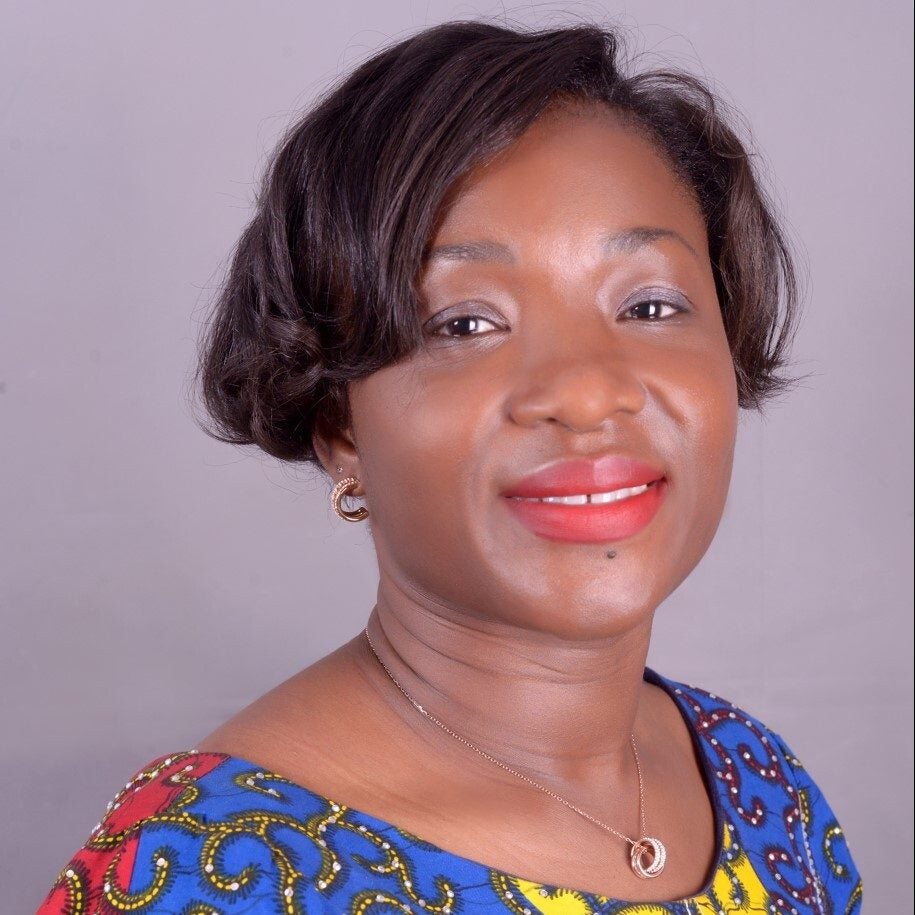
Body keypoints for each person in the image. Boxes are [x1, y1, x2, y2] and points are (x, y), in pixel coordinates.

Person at [37, 20, 862, 915]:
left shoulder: (754, 779)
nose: (588, 393)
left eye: (650, 304)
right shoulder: (205, 870)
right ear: (336, 419)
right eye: (465, 323)